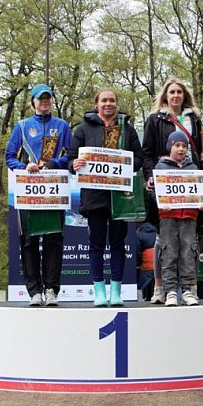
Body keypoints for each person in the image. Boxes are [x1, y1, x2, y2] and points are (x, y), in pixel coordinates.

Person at [68, 88, 143, 307]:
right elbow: (72, 159)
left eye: (112, 100)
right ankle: (99, 291)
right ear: (96, 104)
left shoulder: (127, 130)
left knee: (118, 244)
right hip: (94, 197)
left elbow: (139, 158)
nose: (108, 104)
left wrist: (126, 164)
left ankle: (116, 290)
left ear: (117, 104)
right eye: (104, 100)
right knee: (96, 244)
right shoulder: (83, 129)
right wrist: (75, 164)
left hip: (121, 197)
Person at [142, 78, 203, 304]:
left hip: (190, 188)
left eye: (179, 92)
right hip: (165, 188)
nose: (176, 96)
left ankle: (189, 289)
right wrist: (150, 178)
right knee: (163, 244)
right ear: (165, 95)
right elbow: (147, 152)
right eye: (172, 92)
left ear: (184, 96)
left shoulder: (194, 118)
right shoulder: (155, 119)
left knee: (188, 245)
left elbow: (202, 150)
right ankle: (162, 289)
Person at [5, 83, 72, 306]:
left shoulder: (61, 126)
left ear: (51, 101)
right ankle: (34, 291)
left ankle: (52, 289)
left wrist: (54, 162)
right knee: (28, 241)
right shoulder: (22, 126)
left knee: (54, 239)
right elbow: (9, 157)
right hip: (28, 190)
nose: (44, 102)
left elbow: (71, 155)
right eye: (40, 99)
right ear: (32, 102)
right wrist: (25, 167)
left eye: (48, 98)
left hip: (54, 189)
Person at [154, 131, 203, 306]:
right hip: (168, 217)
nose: (181, 149)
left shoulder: (193, 168)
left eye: (184, 146)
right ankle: (169, 291)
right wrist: (160, 201)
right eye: (177, 145)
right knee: (169, 252)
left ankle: (187, 290)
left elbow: (199, 191)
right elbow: (155, 192)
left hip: (190, 217)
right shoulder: (161, 167)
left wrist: (202, 202)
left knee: (188, 253)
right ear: (170, 147)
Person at [136, 220, 157, 301]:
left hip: (147, 262)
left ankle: (145, 297)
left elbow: (138, 251)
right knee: (158, 280)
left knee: (145, 281)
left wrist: (138, 263)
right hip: (159, 262)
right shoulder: (157, 234)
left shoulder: (139, 235)